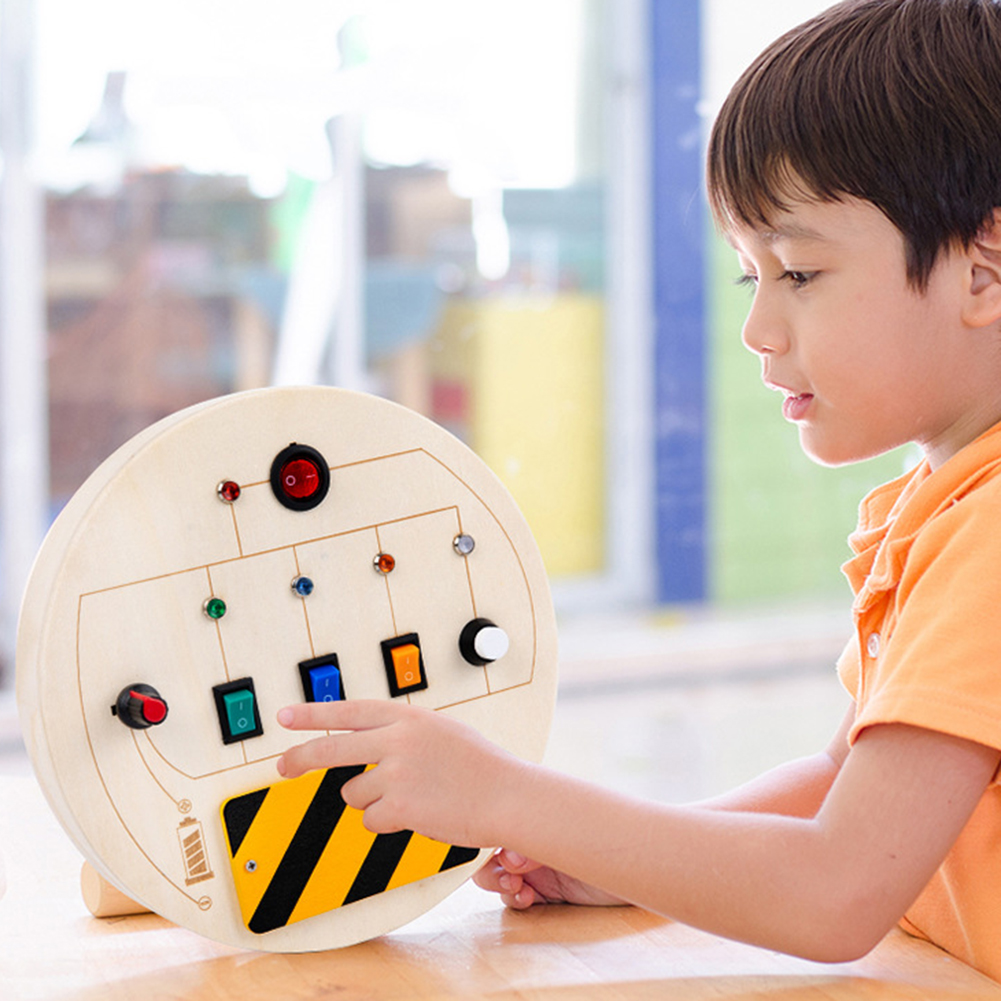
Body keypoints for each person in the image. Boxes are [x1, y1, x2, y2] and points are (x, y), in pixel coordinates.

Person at [277, 0, 1001, 979]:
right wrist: (623, 858)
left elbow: (835, 890)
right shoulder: (946, 500)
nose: (758, 329)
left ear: (983, 267)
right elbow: (842, 782)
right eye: (750, 277)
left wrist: (508, 797)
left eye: (796, 271)